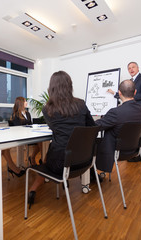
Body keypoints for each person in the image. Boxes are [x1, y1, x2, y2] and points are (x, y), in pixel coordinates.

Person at [27, 71, 95, 208]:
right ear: (69, 86)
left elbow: (55, 129)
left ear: (52, 88)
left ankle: (32, 189)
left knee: (48, 157)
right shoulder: (81, 104)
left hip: (60, 164)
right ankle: (61, 183)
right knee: (54, 152)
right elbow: (92, 127)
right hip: (85, 161)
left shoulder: (48, 109)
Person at [95, 80, 141, 172]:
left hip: (117, 151)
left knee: (92, 143)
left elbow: (96, 126)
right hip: (134, 150)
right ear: (135, 92)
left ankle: (91, 175)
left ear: (119, 93)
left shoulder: (116, 112)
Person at [5, 96, 41, 166]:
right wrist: (27, 124)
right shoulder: (15, 115)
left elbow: (30, 124)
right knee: (40, 142)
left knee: (41, 142)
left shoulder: (28, 113)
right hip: (21, 136)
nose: (26, 102)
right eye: (25, 101)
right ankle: (32, 159)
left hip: (30, 134)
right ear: (21, 103)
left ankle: (33, 157)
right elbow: (18, 127)